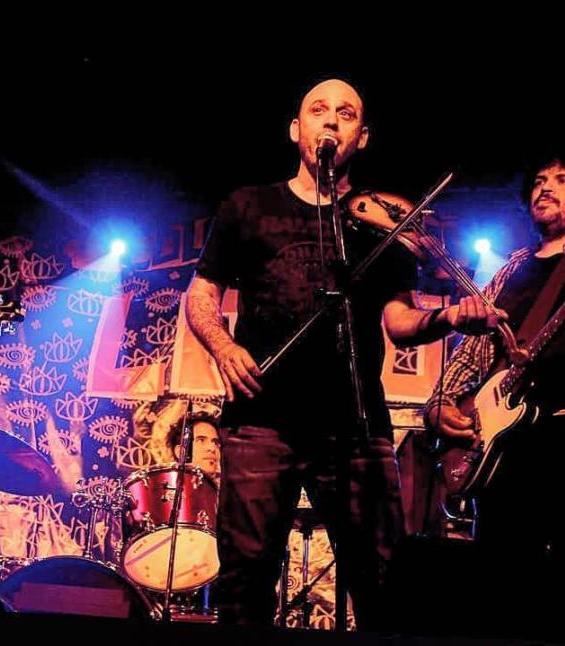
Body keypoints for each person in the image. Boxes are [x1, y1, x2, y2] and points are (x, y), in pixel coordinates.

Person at [185, 78, 496, 628]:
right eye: (318, 110)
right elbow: (202, 295)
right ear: (295, 129)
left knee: (382, 582)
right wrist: (224, 347)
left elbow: (399, 323)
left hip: (356, 426)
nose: (331, 120)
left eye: (346, 113)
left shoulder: (380, 224)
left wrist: (448, 317)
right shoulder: (248, 205)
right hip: (261, 421)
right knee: (245, 583)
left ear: (363, 136)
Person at [425, 152, 565, 560]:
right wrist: (440, 402)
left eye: (562, 179)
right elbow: (472, 350)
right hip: (506, 447)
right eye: (539, 181)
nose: (545, 187)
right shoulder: (511, 268)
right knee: (501, 573)